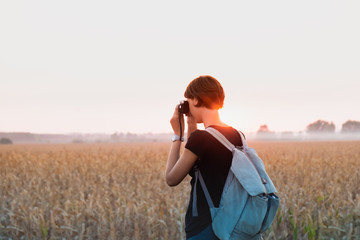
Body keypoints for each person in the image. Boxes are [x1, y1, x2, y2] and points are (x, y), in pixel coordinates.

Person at [165, 75, 244, 240]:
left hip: (205, 227)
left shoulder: (201, 139)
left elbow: (171, 178)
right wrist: (191, 125)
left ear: (195, 100)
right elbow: (201, 165)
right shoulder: (238, 135)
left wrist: (177, 134)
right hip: (233, 225)